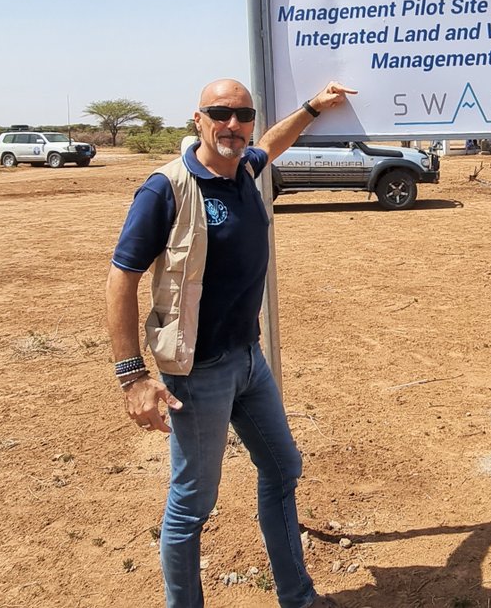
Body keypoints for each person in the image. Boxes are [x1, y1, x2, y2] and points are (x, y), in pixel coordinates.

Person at [107, 78, 354, 608]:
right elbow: (120, 277)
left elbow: (275, 141)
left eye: (243, 115)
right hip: (197, 373)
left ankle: (298, 597)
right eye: (220, 113)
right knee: (193, 503)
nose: (234, 125)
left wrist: (312, 107)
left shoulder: (246, 168)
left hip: (248, 360)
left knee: (283, 467)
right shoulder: (166, 188)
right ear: (197, 119)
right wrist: (132, 376)